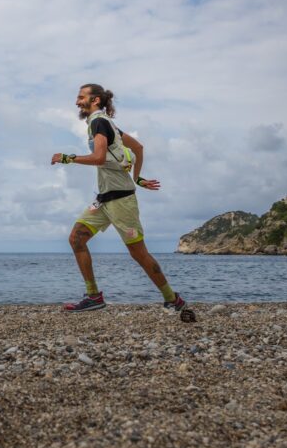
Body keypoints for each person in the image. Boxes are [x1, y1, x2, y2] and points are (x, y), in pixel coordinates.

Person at [51, 84, 196, 322]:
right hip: (103, 199)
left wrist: (67, 158)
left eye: (81, 97)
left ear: (95, 100)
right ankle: (93, 296)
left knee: (139, 254)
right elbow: (137, 148)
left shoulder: (99, 122)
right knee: (76, 238)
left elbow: (99, 157)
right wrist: (137, 177)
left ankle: (173, 299)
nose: (77, 102)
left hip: (122, 201)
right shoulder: (108, 125)